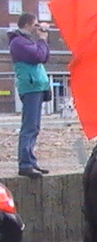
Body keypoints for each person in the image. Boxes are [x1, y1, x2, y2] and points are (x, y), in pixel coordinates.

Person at [8, 13, 51, 179]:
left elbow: (44, 56)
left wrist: (42, 41)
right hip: (31, 87)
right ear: (26, 24)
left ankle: (30, 161)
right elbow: (39, 56)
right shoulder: (18, 43)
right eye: (35, 25)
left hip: (36, 87)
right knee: (29, 126)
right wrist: (42, 40)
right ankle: (25, 164)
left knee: (34, 127)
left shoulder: (26, 41)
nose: (37, 28)